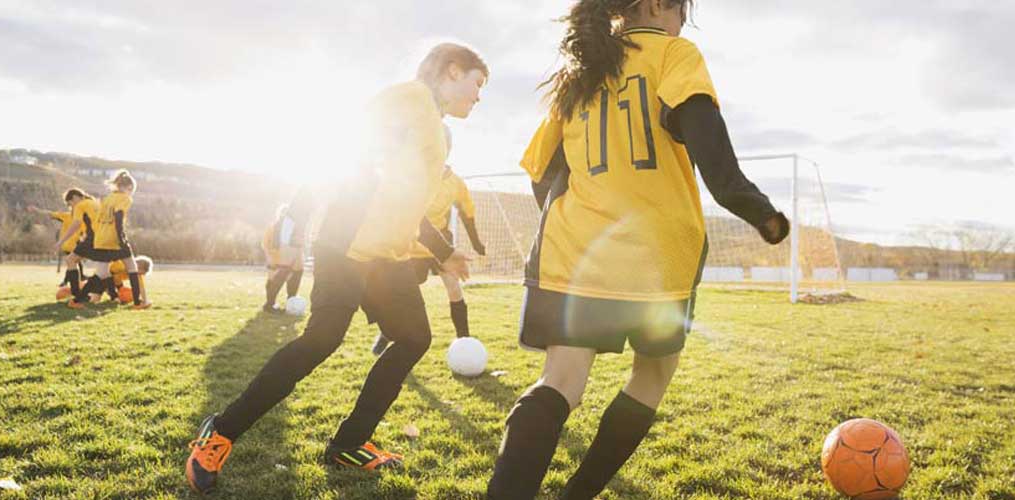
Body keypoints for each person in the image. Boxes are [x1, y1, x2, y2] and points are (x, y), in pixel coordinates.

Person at [486, 1, 790, 498]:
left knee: (561, 381)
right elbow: (716, 164)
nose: (681, 25)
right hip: (658, 259)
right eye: (681, 12)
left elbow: (541, 173)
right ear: (655, 5)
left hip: (577, 254)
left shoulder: (576, 75)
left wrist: (577, 219)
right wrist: (761, 213)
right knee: (652, 375)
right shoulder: (674, 54)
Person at [184, 42, 487, 495]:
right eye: (477, 84)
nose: (479, 97)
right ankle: (220, 432)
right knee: (321, 340)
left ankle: (349, 443)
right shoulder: (408, 99)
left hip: (385, 259)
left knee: (414, 338)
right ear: (452, 71)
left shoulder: (431, 126)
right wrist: (296, 213)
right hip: (346, 247)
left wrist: (443, 250)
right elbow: (345, 150)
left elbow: (408, 202)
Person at [371, 125, 486, 355]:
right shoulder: (411, 177)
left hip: (441, 243)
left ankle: (464, 342)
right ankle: (387, 334)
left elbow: (467, 213)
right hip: (413, 242)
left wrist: (476, 243)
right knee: (407, 291)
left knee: (453, 286)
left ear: (448, 149)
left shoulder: (456, 183)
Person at [68, 170, 151, 310]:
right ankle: (138, 303)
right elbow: (118, 217)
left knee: (101, 273)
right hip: (114, 240)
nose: (131, 194)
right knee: (132, 267)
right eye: (132, 191)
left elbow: (100, 221)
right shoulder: (125, 198)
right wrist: (122, 239)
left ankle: (76, 300)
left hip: (100, 239)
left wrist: (96, 238)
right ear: (129, 188)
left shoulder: (107, 199)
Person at [261, 189, 315, 314]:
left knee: (298, 271)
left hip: (295, 241)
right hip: (286, 244)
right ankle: (269, 304)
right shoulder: (283, 222)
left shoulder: (302, 215)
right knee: (283, 270)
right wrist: (272, 255)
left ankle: (291, 303)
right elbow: (267, 243)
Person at [29, 188, 92, 286]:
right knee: (73, 262)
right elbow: (50, 213)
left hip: (77, 244)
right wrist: (37, 210)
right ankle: (74, 283)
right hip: (68, 245)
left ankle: (73, 283)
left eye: (70, 203)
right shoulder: (66, 216)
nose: (71, 206)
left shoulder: (85, 217)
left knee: (73, 262)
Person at [56, 189, 99, 303]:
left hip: (92, 238)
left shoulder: (81, 205)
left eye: (70, 203)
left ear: (75, 197)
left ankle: (78, 294)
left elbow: (76, 224)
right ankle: (113, 293)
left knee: (70, 259)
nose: (71, 207)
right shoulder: (95, 202)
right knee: (103, 268)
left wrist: (61, 240)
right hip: (102, 237)